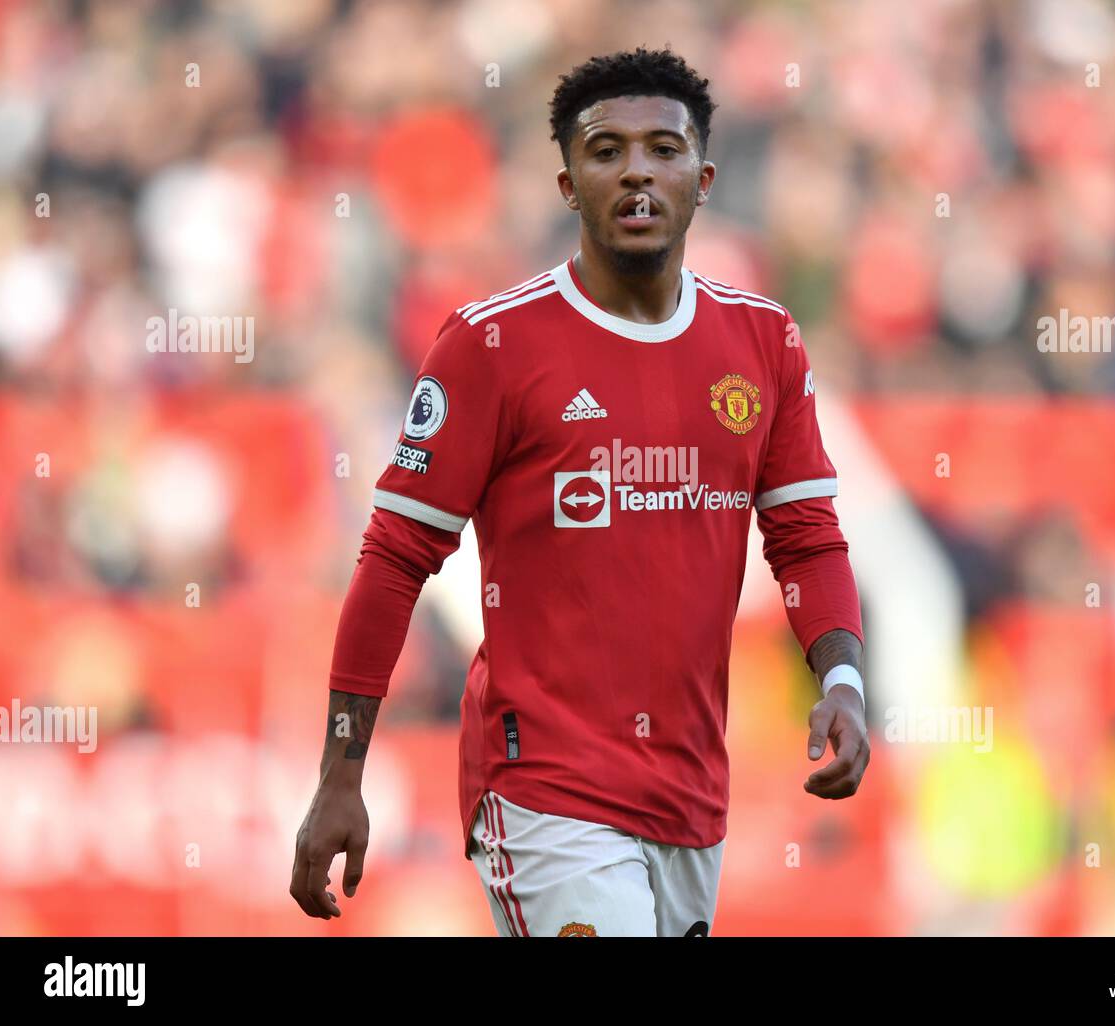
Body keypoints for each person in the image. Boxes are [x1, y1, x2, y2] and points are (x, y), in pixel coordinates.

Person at [290, 46, 869, 936]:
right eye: (606, 151)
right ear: (568, 184)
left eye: (662, 150)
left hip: (689, 788)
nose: (636, 170)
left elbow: (806, 537)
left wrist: (841, 675)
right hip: (541, 787)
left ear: (703, 177)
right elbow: (395, 556)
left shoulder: (763, 342)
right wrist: (341, 774)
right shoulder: (490, 346)